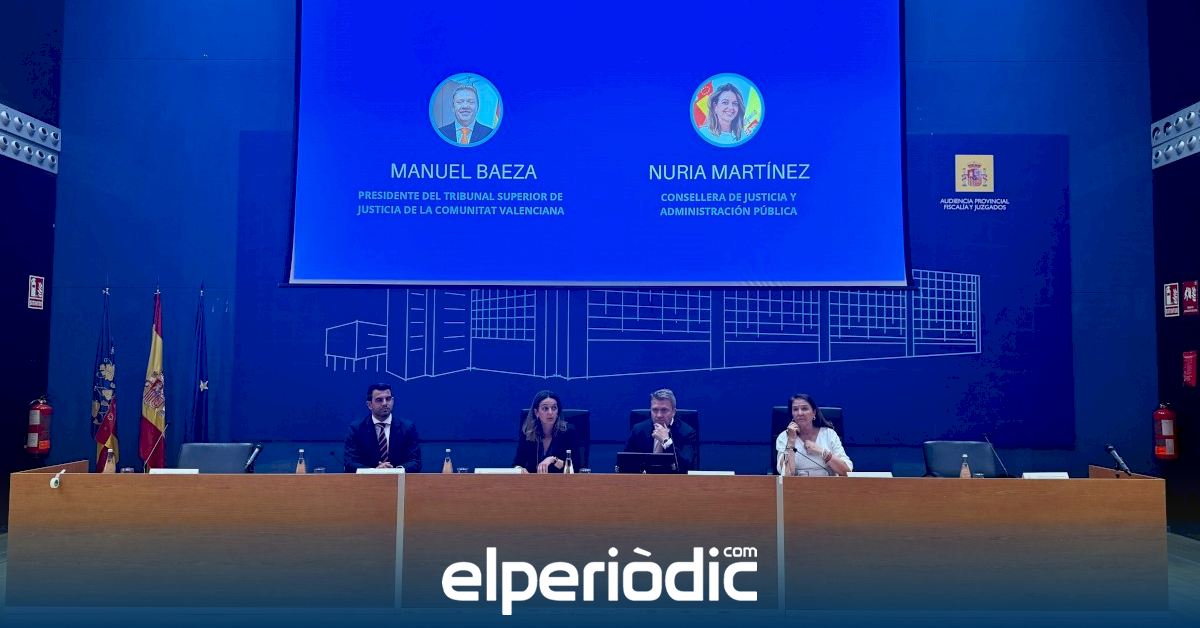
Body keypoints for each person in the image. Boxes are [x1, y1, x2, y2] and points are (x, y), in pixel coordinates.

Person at [344, 383, 422, 473]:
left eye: (388, 399)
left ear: (393, 401)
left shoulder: (407, 428)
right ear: (369, 405)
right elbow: (350, 463)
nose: (385, 403)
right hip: (366, 480)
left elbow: (415, 461)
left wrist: (395, 471)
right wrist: (374, 471)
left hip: (399, 480)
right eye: (379, 400)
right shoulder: (356, 429)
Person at [775, 393, 852, 476]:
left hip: (827, 483)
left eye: (804, 408)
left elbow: (846, 471)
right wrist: (791, 441)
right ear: (792, 414)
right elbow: (786, 476)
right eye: (795, 409)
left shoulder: (829, 434)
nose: (800, 413)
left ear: (814, 413)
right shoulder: (784, 437)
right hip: (797, 484)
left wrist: (821, 451)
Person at [623, 388, 698, 473]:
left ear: (674, 412)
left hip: (673, 479)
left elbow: (687, 467)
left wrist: (667, 442)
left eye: (664, 410)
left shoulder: (687, 432)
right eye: (655, 410)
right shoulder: (638, 430)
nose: (659, 415)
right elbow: (625, 464)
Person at [512, 390, 579, 473]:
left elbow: (576, 468)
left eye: (554, 408)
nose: (550, 412)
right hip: (533, 480)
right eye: (545, 408)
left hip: (560, 481)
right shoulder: (527, 433)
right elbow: (517, 464)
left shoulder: (568, 433)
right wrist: (519, 469)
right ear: (536, 412)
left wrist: (553, 460)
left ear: (558, 412)